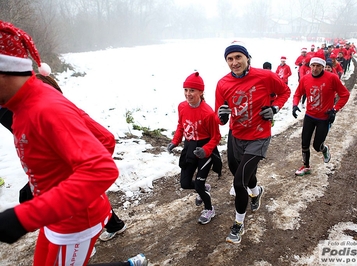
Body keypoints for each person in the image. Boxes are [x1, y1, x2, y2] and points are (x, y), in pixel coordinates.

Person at [0, 20, 147, 266]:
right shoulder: (24, 104)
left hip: (75, 221)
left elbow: (102, 169)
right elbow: (99, 140)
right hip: (54, 215)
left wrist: (24, 217)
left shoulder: (46, 108)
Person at [0, 73, 128, 244]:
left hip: (76, 217)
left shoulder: (52, 111)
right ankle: (114, 226)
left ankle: (115, 232)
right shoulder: (25, 112)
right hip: (62, 200)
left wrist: (77, 172)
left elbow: (105, 147)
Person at [215, 41, 290, 244]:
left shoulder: (265, 76)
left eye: (238, 57)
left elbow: (285, 92)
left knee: (239, 182)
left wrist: (274, 108)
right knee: (239, 171)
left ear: (247, 58)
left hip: (258, 136)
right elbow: (219, 114)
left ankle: (238, 224)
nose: (234, 62)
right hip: (236, 135)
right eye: (230, 59)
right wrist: (221, 116)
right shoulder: (222, 83)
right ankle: (256, 192)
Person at [167, 72, 222, 225]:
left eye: (192, 90)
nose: (188, 94)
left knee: (198, 184)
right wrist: (175, 141)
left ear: (201, 92)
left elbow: (216, 137)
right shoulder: (182, 106)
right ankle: (204, 187)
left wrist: (205, 149)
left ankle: (209, 209)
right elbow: (181, 125)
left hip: (205, 149)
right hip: (189, 146)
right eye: (186, 90)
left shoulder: (208, 113)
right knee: (184, 183)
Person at [292, 55, 350, 176]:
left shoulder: (332, 78)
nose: (315, 68)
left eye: (318, 66)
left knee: (317, 146)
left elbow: (345, 94)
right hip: (309, 116)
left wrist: (335, 109)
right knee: (304, 143)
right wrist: (294, 105)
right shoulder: (305, 79)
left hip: (324, 118)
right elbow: (297, 93)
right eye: (313, 65)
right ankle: (306, 166)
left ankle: (324, 149)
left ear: (323, 67)